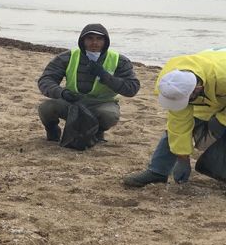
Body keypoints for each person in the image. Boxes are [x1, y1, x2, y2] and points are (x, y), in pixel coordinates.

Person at [123, 49, 226, 187]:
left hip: (219, 82)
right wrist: (183, 158)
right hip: (210, 93)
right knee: (174, 130)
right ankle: (158, 172)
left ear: (197, 88)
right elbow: (178, 124)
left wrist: (221, 122)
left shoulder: (222, 77)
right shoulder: (170, 80)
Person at [37, 23, 141, 143]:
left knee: (109, 115)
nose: (94, 43)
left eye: (99, 39)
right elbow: (45, 80)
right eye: (90, 38)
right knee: (46, 108)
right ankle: (53, 132)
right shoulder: (68, 57)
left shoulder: (119, 60)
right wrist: (62, 93)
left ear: (106, 41)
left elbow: (132, 88)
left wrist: (105, 76)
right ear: (82, 40)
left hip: (101, 104)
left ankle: (98, 132)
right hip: (72, 101)